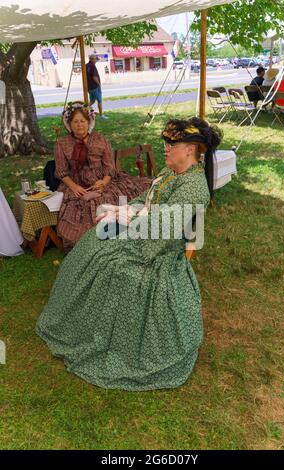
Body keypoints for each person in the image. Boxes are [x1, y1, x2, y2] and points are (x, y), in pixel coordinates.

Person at [36, 117, 223, 391]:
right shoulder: (171, 172)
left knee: (109, 263)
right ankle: (81, 326)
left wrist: (125, 223)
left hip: (157, 251)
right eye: (165, 143)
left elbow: (161, 232)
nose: (165, 148)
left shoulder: (194, 188)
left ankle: (109, 339)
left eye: (171, 143)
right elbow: (146, 200)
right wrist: (118, 211)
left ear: (191, 149)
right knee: (92, 243)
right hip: (142, 232)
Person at [55, 101, 151, 251]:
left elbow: (109, 167)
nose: (79, 125)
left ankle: (119, 234)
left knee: (114, 199)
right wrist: (74, 187)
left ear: (89, 122)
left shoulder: (100, 139)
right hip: (77, 184)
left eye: (83, 121)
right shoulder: (62, 143)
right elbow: (61, 172)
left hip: (104, 181)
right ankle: (92, 243)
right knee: (82, 207)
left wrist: (103, 182)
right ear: (69, 124)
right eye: (75, 122)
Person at [86, 54, 107, 119]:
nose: (96, 61)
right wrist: (98, 84)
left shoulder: (86, 66)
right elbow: (94, 77)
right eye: (95, 59)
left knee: (92, 101)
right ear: (92, 59)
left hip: (89, 87)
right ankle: (101, 115)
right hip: (95, 86)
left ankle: (85, 109)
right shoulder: (92, 66)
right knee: (99, 100)